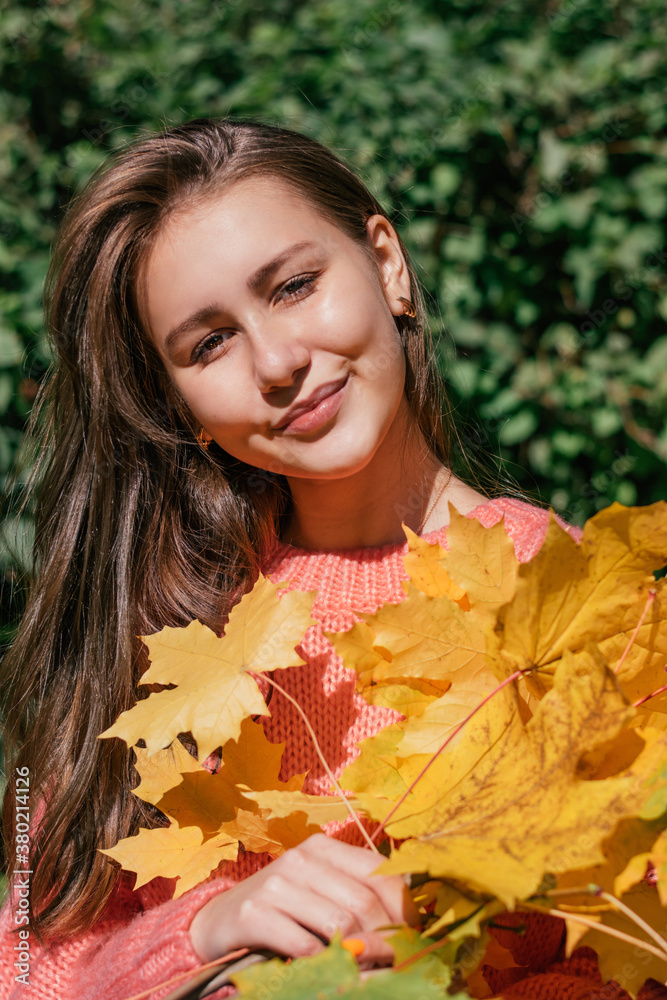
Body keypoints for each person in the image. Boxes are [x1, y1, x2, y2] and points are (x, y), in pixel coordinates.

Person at [0, 118, 577, 1000]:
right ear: (179, 401)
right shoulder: (159, 633)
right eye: (209, 344)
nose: (276, 361)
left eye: (296, 286)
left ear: (386, 263)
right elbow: (25, 961)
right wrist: (199, 937)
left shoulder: (579, 597)